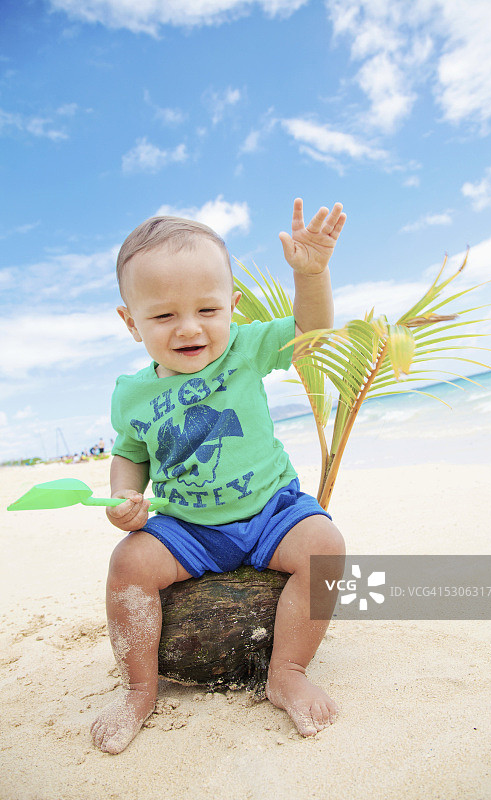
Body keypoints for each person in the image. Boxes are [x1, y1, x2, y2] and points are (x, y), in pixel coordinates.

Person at [91, 198, 347, 755]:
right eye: (162, 316)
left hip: (271, 512)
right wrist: (124, 494)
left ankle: (288, 671)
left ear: (232, 307)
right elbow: (130, 453)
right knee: (128, 563)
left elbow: (313, 331)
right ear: (131, 322)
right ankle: (139, 688)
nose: (189, 329)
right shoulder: (131, 395)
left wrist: (312, 273)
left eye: (207, 310)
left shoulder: (245, 349)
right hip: (190, 527)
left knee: (325, 545)